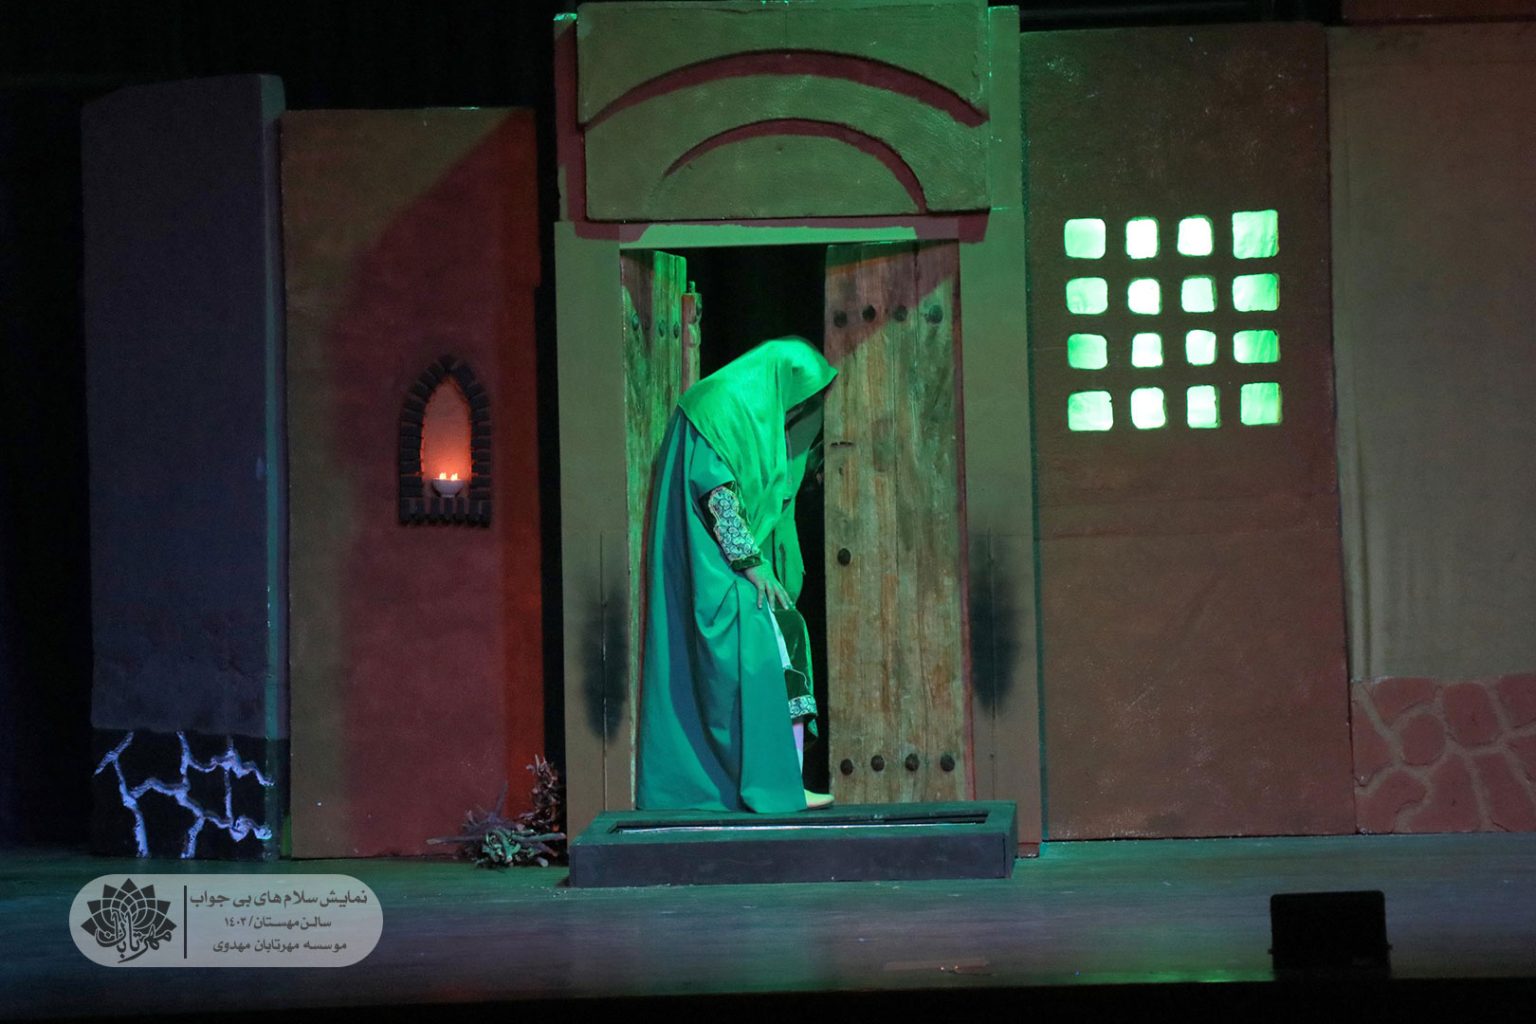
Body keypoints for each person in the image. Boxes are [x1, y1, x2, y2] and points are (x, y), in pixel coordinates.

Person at [635, 337, 837, 813]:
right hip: (709, 564)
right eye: (798, 398)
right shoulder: (721, 406)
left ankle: (787, 779)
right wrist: (751, 561)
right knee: (763, 642)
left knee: (784, 632)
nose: (798, 410)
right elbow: (716, 493)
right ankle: (772, 782)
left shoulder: (749, 409)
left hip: (723, 561)